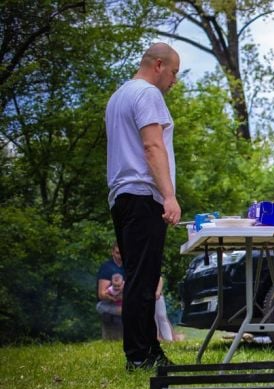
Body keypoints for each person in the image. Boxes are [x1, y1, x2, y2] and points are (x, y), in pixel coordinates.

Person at [105, 42, 181, 371]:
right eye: (174, 73)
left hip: (122, 197)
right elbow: (152, 146)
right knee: (143, 279)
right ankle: (140, 355)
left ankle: (149, 351)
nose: (174, 81)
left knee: (140, 277)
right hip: (142, 194)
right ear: (159, 65)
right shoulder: (148, 94)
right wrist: (168, 195)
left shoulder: (118, 97)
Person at [96, 243, 125, 318]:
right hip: (108, 303)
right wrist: (112, 297)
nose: (120, 256)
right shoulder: (107, 268)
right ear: (112, 252)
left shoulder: (131, 267)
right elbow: (101, 294)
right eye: (117, 253)